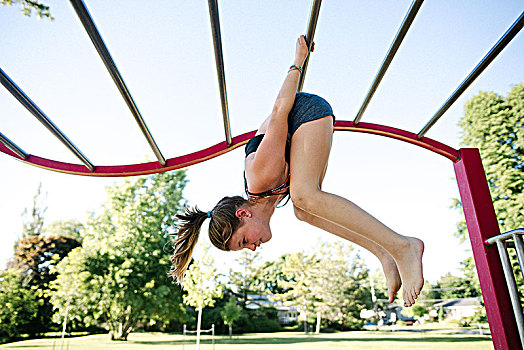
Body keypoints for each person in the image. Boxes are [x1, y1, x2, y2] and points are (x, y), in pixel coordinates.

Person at [170, 35, 424, 307]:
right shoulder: (271, 195)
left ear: (243, 213)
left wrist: (297, 61)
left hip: (306, 110)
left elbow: (280, 109)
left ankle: (403, 246)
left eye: (243, 240)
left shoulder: (260, 175)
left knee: (303, 196)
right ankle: (383, 252)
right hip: (303, 131)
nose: (251, 248)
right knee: (303, 211)